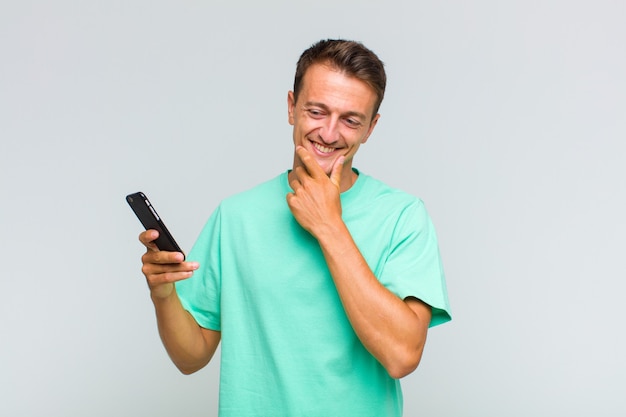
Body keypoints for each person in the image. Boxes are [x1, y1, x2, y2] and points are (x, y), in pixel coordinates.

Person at [138, 39, 451, 417]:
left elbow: (402, 356)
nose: (330, 134)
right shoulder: (236, 216)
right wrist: (164, 295)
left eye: (351, 119)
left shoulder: (403, 216)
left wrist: (329, 225)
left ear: (371, 128)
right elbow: (191, 357)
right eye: (317, 111)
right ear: (291, 107)